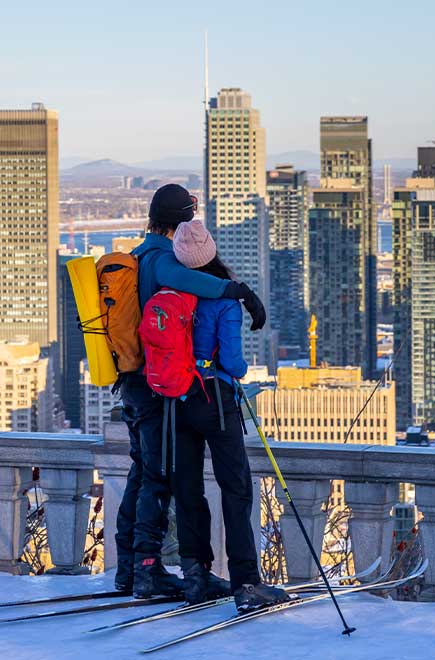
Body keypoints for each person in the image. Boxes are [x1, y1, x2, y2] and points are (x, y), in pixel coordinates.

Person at [114, 184, 268, 598]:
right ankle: (147, 571)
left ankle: (131, 568)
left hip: (135, 382)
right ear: (182, 222)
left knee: (144, 474)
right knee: (158, 479)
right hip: (160, 386)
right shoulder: (164, 260)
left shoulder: (138, 254)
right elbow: (185, 279)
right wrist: (236, 290)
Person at [170, 220, 290, 610]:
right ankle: (246, 583)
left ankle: (194, 575)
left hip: (177, 399)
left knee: (187, 489)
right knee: (235, 489)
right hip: (216, 401)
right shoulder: (224, 300)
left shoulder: (171, 291)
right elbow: (236, 364)